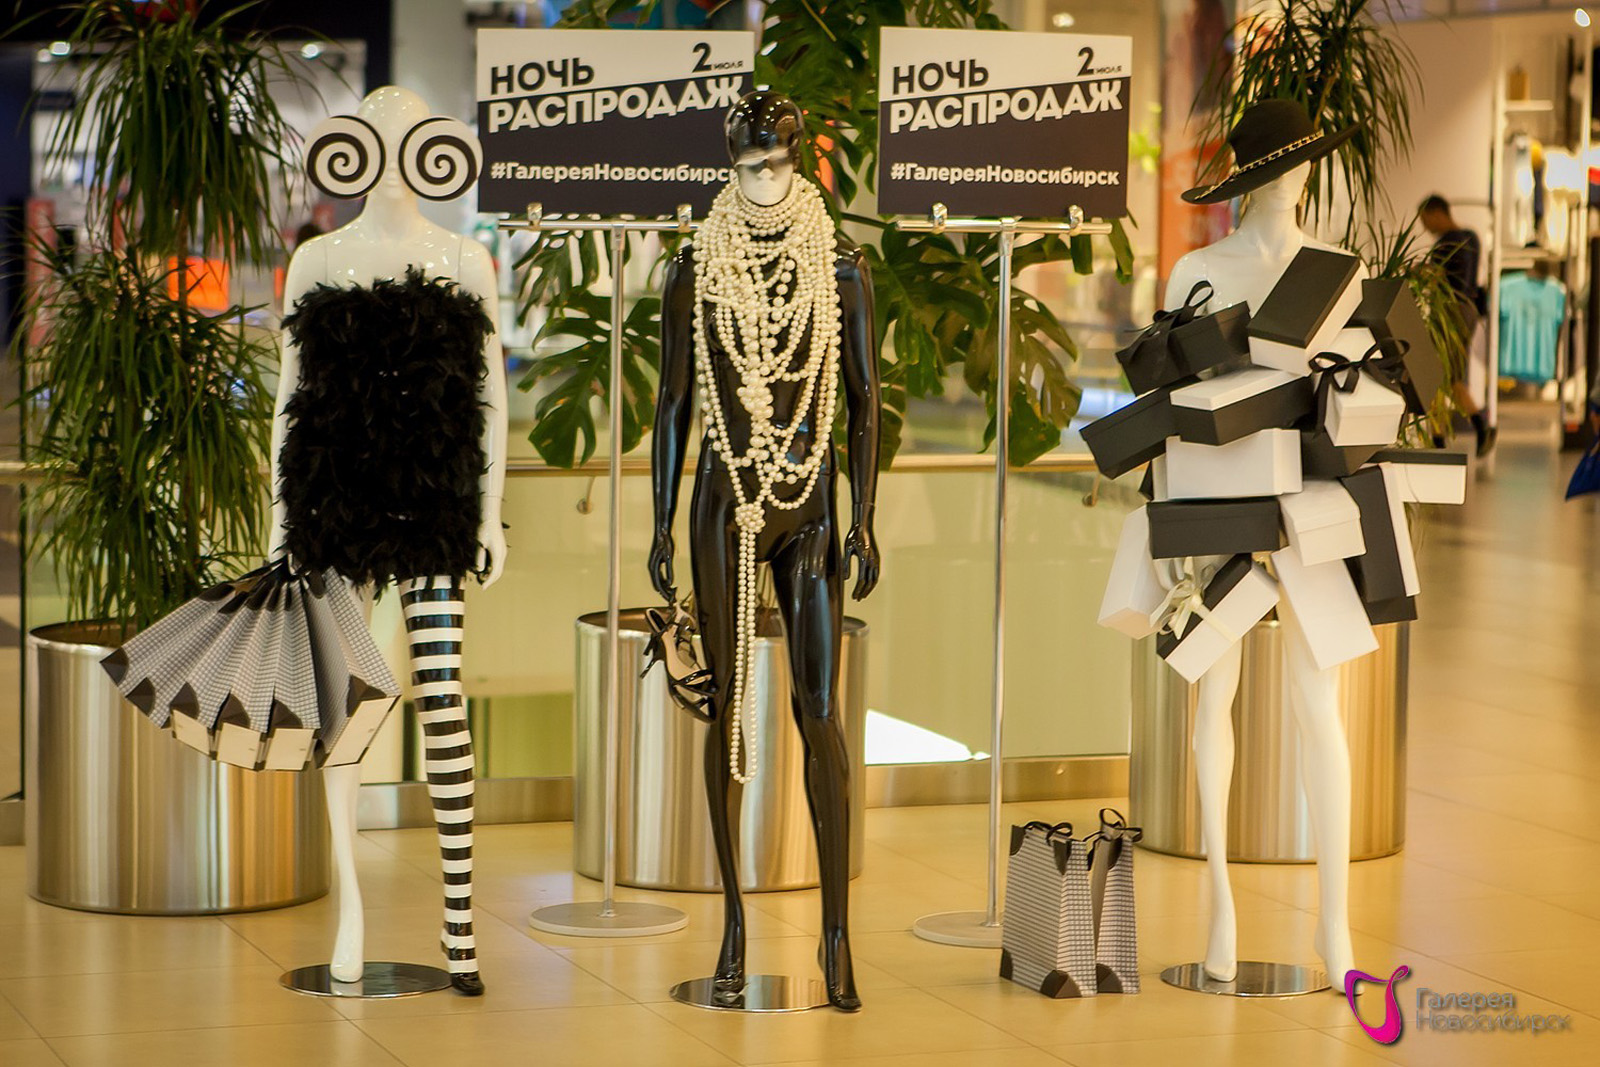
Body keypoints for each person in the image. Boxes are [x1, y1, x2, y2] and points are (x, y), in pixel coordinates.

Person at [1419, 194, 1495, 455]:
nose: (1426, 227)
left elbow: (1436, 278)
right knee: (1450, 377)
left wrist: (1420, 273)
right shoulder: (1471, 237)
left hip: (1450, 312)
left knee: (1438, 376)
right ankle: (1469, 429)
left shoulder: (1445, 243)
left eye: (1426, 220)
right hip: (1468, 310)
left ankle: (1443, 439)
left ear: (1437, 213)